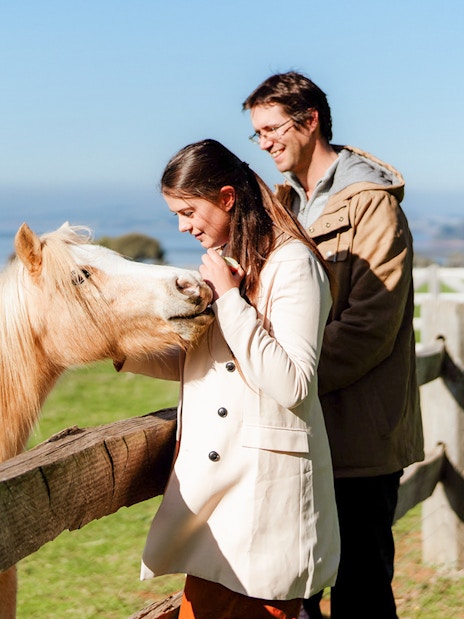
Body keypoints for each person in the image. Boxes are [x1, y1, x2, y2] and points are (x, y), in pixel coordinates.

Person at [118, 139, 340, 618]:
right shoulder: (233, 261)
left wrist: (230, 298)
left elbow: (294, 384)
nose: (182, 226)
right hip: (219, 504)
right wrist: (117, 348)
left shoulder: (292, 264)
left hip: (265, 504)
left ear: (226, 197)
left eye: (187, 210)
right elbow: (205, 362)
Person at [243, 71, 424, 619]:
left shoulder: (372, 206)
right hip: (302, 436)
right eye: (257, 133)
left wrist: (288, 380)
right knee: (294, 591)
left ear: (311, 120)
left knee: (362, 594)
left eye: (272, 128)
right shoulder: (284, 209)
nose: (265, 141)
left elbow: (370, 326)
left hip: (358, 441)